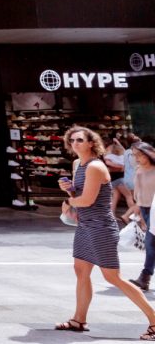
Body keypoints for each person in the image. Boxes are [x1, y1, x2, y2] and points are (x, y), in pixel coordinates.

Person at [57, 126, 155, 339]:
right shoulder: (77, 164)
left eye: (80, 140)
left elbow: (87, 200)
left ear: (91, 142)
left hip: (101, 227)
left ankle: (154, 320)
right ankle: (79, 320)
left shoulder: (95, 166)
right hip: (85, 225)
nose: (75, 143)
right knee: (81, 271)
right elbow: (80, 194)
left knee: (113, 277)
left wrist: (67, 201)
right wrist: (69, 189)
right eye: (71, 140)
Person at [127, 142, 155, 290]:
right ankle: (145, 277)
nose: (136, 158)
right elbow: (138, 194)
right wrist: (139, 214)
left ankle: (145, 277)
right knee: (151, 243)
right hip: (145, 209)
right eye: (134, 155)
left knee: (151, 243)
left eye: (139, 154)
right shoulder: (139, 170)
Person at [106, 138, 136, 223]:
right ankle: (132, 215)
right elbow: (124, 151)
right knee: (129, 196)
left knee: (115, 197)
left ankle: (111, 215)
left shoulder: (108, 152)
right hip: (119, 178)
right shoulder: (119, 154)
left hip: (112, 178)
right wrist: (120, 166)